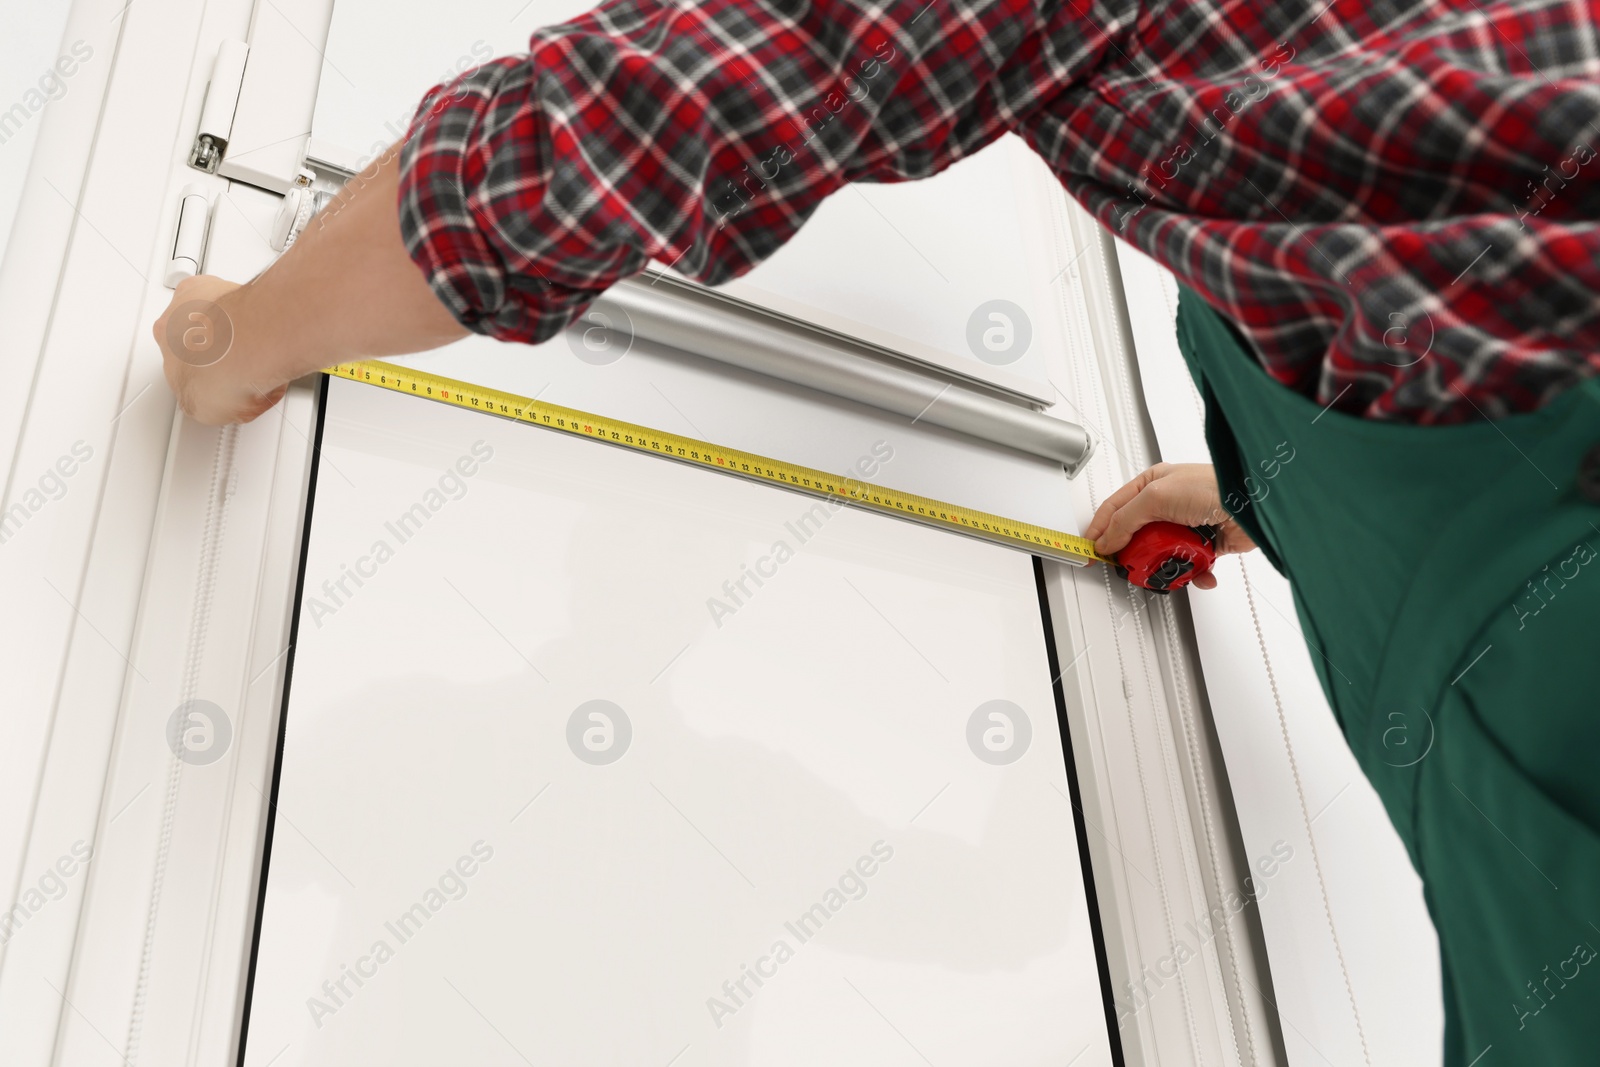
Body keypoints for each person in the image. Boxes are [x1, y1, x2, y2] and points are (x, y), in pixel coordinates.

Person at [153, 0, 1600, 1060]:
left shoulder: (445, 733)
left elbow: (637, 117)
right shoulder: (643, 783)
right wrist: (1261, 479)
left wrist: (244, 330)